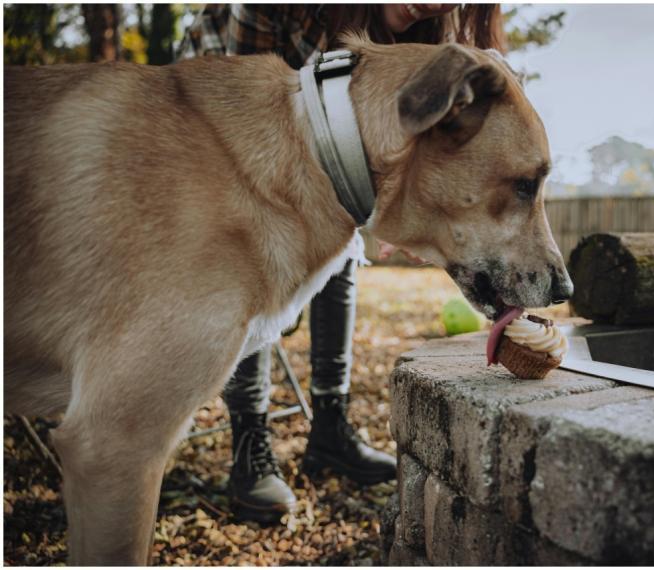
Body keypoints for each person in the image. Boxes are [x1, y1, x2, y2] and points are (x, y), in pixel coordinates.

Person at [177, 3, 505, 523]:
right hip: (217, 92)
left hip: (318, 118)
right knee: (253, 245)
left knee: (344, 238)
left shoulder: (434, 40)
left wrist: (401, 205)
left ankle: (330, 427)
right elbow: (245, 117)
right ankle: (250, 443)